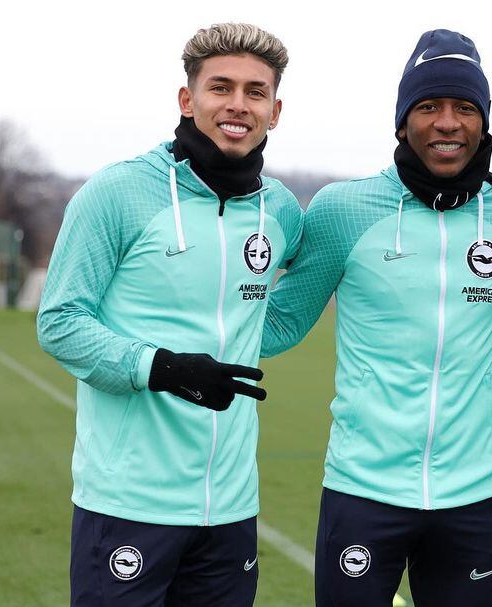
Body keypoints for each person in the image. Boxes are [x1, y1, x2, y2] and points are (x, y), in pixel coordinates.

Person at [261, 29, 492, 607]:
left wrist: (476, 366)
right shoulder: (344, 209)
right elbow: (281, 324)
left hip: (472, 496)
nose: (447, 122)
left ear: (484, 123)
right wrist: (165, 340)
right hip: (361, 491)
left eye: (466, 108)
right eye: (429, 106)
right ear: (401, 120)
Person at [36, 23, 302, 607]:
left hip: (232, 507)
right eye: (221, 87)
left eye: (256, 92)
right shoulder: (117, 193)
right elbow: (59, 320)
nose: (238, 105)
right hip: (127, 504)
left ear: (275, 110)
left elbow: (284, 306)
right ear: (188, 99)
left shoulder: (280, 209)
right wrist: (161, 367)